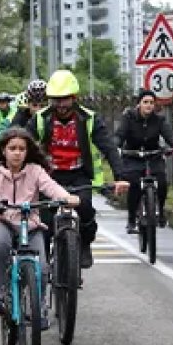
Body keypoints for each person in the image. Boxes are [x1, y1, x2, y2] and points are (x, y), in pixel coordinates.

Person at [0, 129, 81, 320]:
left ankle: (38, 306)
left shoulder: (35, 172)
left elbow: (51, 187)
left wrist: (66, 197)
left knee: (43, 266)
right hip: (2, 221)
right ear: (3, 151)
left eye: (22, 149)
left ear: (27, 152)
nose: (17, 153)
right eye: (12, 148)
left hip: (30, 225)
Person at [26, 70, 130, 268]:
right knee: (44, 220)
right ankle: (45, 260)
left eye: (65, 99)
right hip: (50, 176)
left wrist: (120, 176)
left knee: (86, 211)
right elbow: (22, 142)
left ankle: (83, 245)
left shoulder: (89, 119)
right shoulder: (40, 119)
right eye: (55, 100)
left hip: (79, 174)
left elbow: (108, 147)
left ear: (74, 98)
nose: (60, 105)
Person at [116, 88, 173, 233]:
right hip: (132, 156)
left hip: (153, 156)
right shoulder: (129, 118)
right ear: (139, 104)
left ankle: (161, 211)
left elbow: (169, 134)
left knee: (162, 181)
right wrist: (116, 147)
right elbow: (119, 135)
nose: (149, 105)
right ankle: (132, 219)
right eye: (145, 102)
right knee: (134, 184)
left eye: (151, 102)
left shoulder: (159, 120)